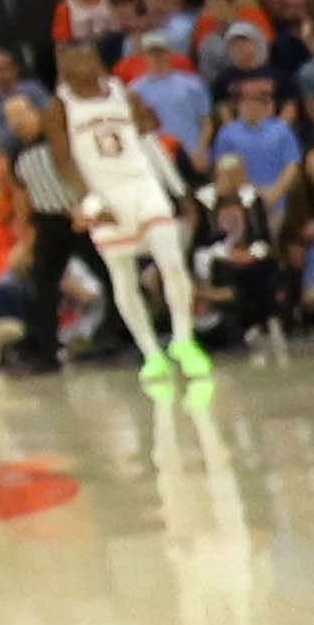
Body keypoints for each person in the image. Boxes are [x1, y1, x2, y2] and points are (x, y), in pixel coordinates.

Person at [55, 36, 212, 384]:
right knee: (123, 276)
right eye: (71, 62)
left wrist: (178, 190)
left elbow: (149, 143)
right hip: (105, 196)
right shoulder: (59, 108)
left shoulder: (125, 94)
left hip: (143, 186)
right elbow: (63, 163)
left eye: (85, 59)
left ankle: (184, 341)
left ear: (97, 60)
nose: (79, 68)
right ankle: (151, 353)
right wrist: (87, 205)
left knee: (172, 263)